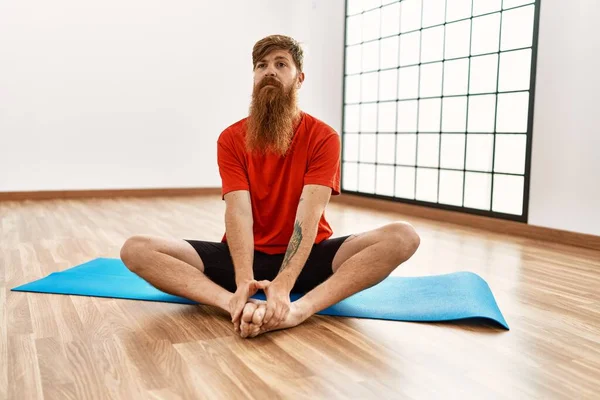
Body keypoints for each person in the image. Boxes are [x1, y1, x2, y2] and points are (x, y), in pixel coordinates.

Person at [120, 34, 420, 338]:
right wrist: (243, 283)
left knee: (402, 236)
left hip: (307, 256)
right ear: (254, 77)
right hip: (245, 257)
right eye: (261, 65)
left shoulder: (324, 137)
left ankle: (297, 311)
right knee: (136, 249)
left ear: (299, 79)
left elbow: (309, 216)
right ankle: (233, 305)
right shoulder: (231, 138)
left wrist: (285, 283)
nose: (270, 71)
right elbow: (238, 213)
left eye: (281, 64)